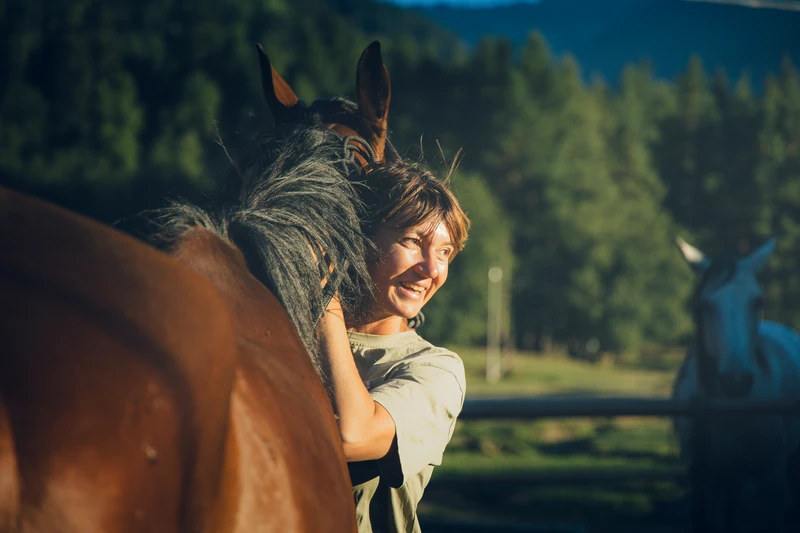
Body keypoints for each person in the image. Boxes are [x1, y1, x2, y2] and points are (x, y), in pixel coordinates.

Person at [316, 159, 470, 533]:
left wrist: (322, 300)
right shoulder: (289, 332)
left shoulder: (436, 371)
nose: (431, 269)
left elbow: (352, 435)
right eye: (414, 242)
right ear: (360, 239)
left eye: (445, 252)